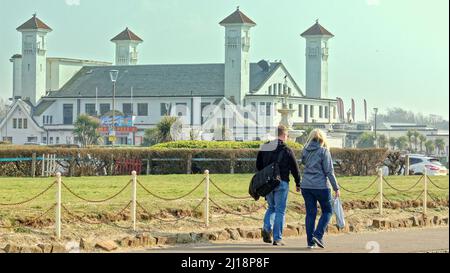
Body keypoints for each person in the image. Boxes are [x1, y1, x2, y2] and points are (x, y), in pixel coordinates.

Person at [257, 125, 301, 246]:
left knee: (271, 207)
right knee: (280, 211)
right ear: (284, 135)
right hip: (282, 182)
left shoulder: (265, 147)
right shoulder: (287, 149)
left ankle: (266, 228)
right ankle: (277, 238)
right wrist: (298, 183)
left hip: (268, 183)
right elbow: (295, 168)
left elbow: (258, 165)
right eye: (287, 136)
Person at [296, 129, 340, 249]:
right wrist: (336, 187)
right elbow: (329, 171)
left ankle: (310, 242)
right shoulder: (324, 151)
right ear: (322, 139)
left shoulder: (304, 150)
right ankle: (318, 235)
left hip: (306, 186)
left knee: (310, 213)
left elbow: (303, 165)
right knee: (328, 211)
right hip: (321, 186)